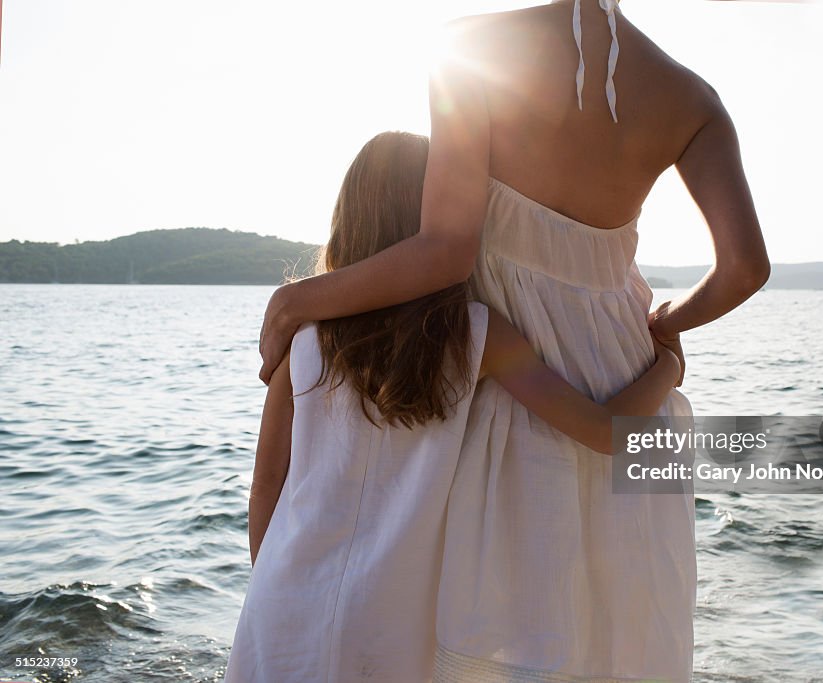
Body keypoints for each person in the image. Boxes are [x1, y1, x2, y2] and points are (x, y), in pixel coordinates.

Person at [257, 2, 769, 680]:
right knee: (613, 632)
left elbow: (447, 249)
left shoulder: (472, 46)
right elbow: (744, 269)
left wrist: (297, 298)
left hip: (516, 379)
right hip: (624, 379)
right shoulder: (692, 98)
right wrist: (666, 332)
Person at [224, 131, 682, 682]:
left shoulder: (303, 340)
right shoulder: (475, 336)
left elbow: (266, 488)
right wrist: (667, 367)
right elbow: (606, 431)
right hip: (396, 626)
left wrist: (269, 587)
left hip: (282, 605)